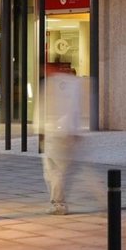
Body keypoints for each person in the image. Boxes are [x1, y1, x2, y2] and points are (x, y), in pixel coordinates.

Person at [41, 67, 84, 215]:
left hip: (57, 135)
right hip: (64, 133)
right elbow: (75, 111)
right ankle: (58, 202)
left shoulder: (55, 85)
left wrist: (42, 131)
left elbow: (49, 109)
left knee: (54, 171)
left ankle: (58, 204)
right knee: (61, 171)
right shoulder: (73, 86)